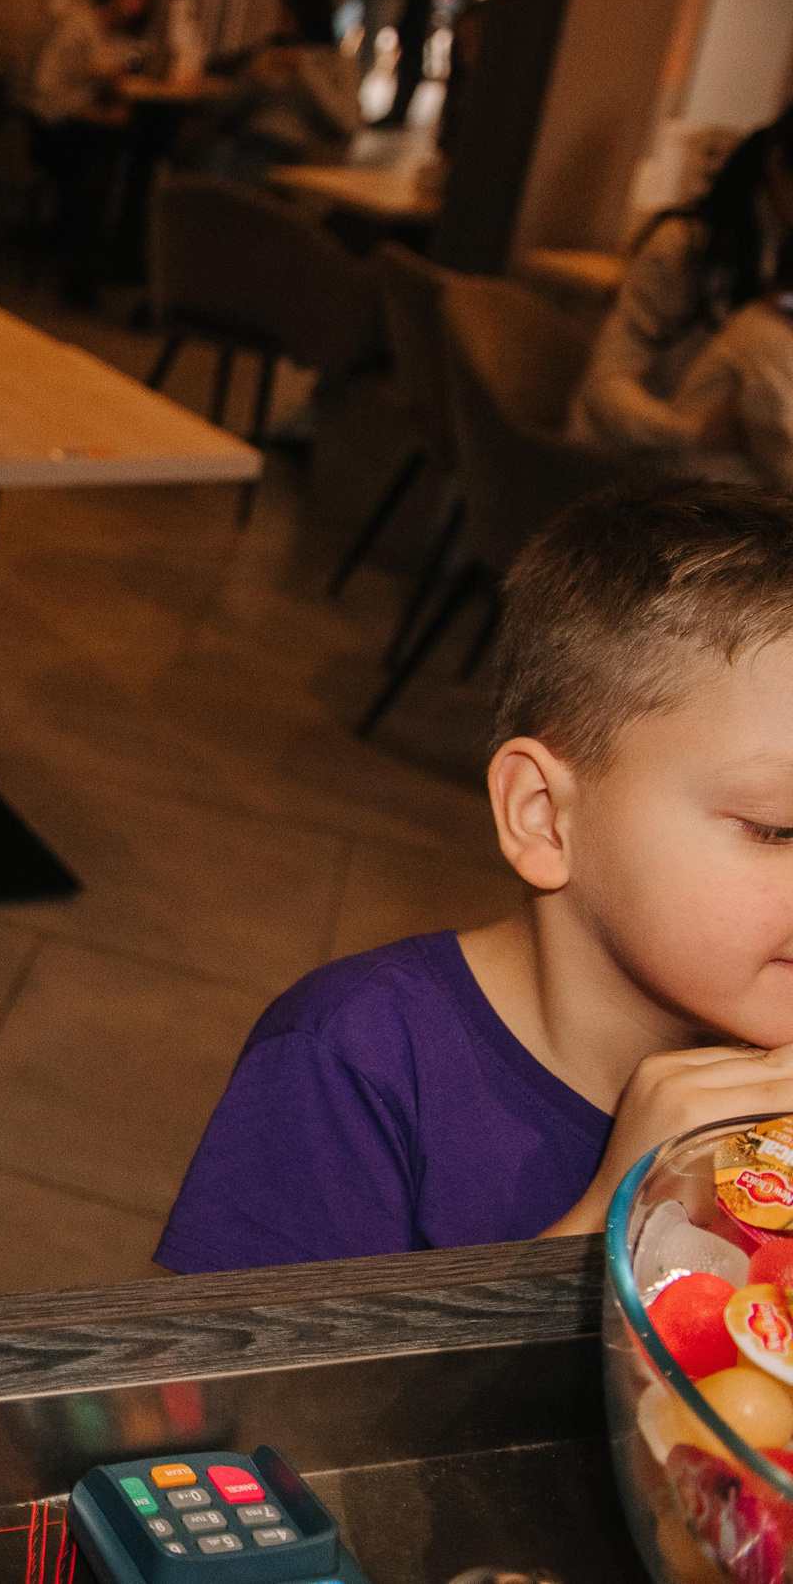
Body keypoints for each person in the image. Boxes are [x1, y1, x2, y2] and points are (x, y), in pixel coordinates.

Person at [159, 481, 793, 1271]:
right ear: (542, 816)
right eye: (778, 827)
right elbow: (253, 1396)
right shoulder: (352, 1060)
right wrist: (606, 1228)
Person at [571, 108, 793, 484]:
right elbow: (604, 388)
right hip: (629, 469)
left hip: (714, 467)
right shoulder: (683, 247)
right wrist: (690, 429)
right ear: (777, 165)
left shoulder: (779, 261)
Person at [31, 0, 158, 309]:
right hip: (55, 129)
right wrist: (99, 114)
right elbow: (46, 93)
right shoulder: (78, 27)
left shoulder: (130, 42)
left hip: (98, 129)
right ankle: (82, 269)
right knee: (103, 157)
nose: (140, 1)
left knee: (141, 150)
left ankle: (124, 255)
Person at [190, 0, 361, 182]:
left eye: (284, 10)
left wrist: (305, 72)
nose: (279, 17)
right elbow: (225, 110)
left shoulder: (336, 63)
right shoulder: (271, 50)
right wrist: (253, 78)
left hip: (293, 150)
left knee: (227, 167)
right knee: (206, 153)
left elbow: (348, 123)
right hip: (247, 139)